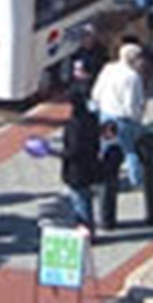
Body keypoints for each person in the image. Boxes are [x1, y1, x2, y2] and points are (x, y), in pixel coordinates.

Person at [90, 42, 147, 189]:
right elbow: (132, 103)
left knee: (105, 148)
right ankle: (136, 181)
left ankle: (101, 178)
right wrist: (138, 120)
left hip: (106, 115)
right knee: (131, 151)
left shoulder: (108, 69)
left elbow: (96, 92)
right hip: (123, 119)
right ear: (134, 59)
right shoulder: (133, 77)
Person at [60, 94, 103, 234]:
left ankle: (86, 232)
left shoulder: (74, 125)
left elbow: (73, 150)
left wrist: (55, 152)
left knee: (80, 201)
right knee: (86, 199)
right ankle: (89, 229)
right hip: (91, 165)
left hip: (76, 169)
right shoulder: (92, 119)